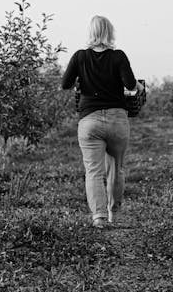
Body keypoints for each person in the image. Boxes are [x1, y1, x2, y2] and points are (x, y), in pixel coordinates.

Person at [61, 15, 143, 229]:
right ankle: (114, 213)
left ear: (91, 32)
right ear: (110, 32)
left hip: (90, 120)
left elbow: (65, 84)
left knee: (94, 172)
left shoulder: (80, 57)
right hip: (117, 119)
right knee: (117, 168)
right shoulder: (118, 56)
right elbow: (131, 85)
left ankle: (98, 217)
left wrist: (82, 79)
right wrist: (140, 88)